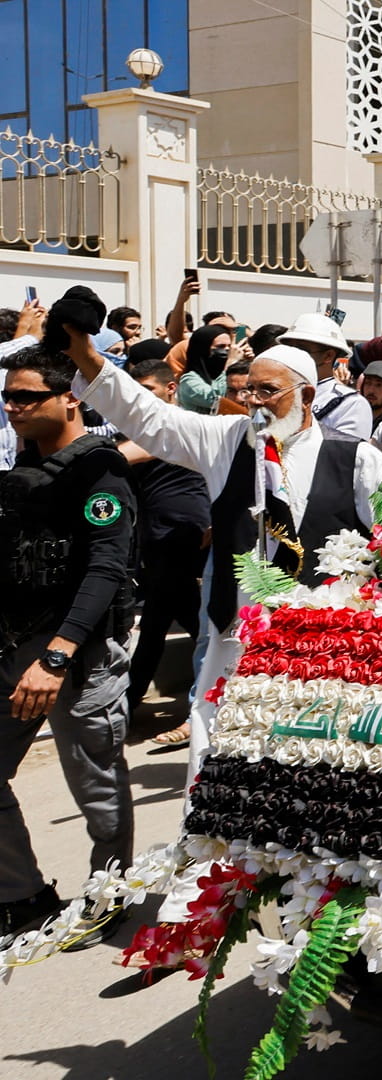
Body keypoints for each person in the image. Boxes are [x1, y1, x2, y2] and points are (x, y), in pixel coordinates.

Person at [65, 330, 382, 769]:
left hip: (326, 647)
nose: (255, 402)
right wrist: (86, 355)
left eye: (268, 391)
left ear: (307, 395)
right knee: (222, 768)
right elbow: (149, 417)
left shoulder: (355, 457)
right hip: (235, 644)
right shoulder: (226, 439)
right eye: (248, 391)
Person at [0, 345, 136, 945]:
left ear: (70, 398)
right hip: (13, 649)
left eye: (27, 396)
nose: (13, 407)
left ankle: (108, 897)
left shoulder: (100, 473)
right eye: (8, 397)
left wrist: (57, 656)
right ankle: (23, 896)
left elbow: (106, 570)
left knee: (97, 790)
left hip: (77, 658)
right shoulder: (22, 475)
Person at [121, 358, 210, 745]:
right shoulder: (140, 426)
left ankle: (129, 703)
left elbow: (127, 455)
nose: (142, 397)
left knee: (183, 619)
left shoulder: (175, 424)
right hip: (158, 537)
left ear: (171, 389)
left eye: (149, 390)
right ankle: (129, 702)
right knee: (169, 617)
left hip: (185, 533)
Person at [279, 313, 373, 440]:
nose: (292, 355)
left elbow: (342, 454)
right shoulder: (277, 392)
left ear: (328, 356)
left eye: (301, 349)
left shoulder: (350, 404)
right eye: (289, 348)